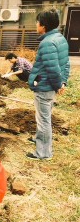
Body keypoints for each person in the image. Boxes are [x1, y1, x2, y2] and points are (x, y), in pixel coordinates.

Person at [26, 9, 70, 160]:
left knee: (43, 120)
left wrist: (58, 85)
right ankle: (39, 138)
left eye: (37, 22)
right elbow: (65, 64)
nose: (36, 25)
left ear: (43, 26)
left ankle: (43, 153)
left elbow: (53, 69)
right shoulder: (60, 38)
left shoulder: (47, 43)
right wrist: (63, 82)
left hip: (45, 87)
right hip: (50, 86)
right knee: (44, 116)